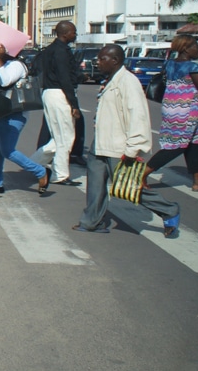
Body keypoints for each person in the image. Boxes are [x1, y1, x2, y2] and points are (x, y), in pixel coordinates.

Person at [75, 44, 180, 238]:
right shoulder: (111, 80)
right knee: (95, 187)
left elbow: (137, 115)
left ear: (114, 60)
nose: (97, 63)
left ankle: (168, 209)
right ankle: (90, 222)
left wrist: (134, 148)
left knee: (127, 187)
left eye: (102, 59)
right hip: (100, 143)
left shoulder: (128, 82)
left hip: (119, 146)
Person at [142, 35, 198, 192]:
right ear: (185, 48)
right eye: (195, 47)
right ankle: (141, 173)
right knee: (176, 146)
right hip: (186, 112)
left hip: (172, 109)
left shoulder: (170, 64)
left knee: (194, 142)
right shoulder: (193, 68)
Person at [0, 44, 50, 195]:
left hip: (15, 114)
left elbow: (5, 82)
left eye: (1, 49)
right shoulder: (4, 65)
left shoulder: (17, 65)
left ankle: (40, 171)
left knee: (7, 150)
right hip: (0, 112)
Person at [34, 21, 82, 184]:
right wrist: (74, 105)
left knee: (57, 137)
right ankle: (60, 175)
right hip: (60, 94)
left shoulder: (48, 50)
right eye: (73, 32)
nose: (75, 35)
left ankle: (33, 164)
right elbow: (65, 79)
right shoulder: (61, 52)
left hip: (49, 93)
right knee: (66, 137)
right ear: (65, 33)